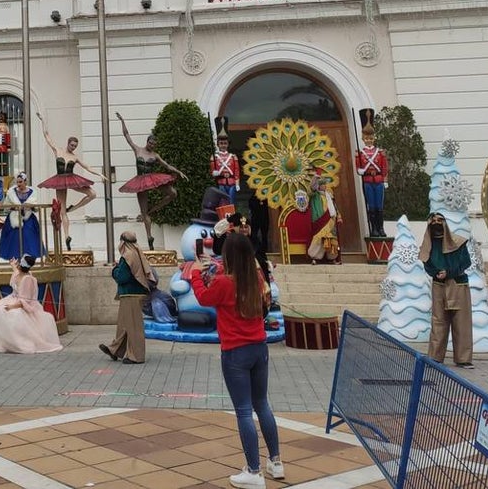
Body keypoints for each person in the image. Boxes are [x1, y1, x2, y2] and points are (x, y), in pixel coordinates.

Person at [184, 233, 283, 488]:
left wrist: (195, 273)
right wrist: (212, 268)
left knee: (243, 411)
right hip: (259, 347)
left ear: (228, 256)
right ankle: (276, 461)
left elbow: (203, 297)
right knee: (262, 404)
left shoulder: (225, 283)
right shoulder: (256, 278)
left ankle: (253, 471)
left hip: (235, 351)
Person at [115, 112, 188, 250]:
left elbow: (167, 165)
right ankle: (149, 237)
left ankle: (154, 209)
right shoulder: (138, 150)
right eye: (150, 142)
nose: (151, 145)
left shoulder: (155, 155)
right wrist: (122, 121)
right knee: (144, 213)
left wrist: (179, 172)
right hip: (140, 181)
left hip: (152, 179)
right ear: (147, 142)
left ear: (155, 145)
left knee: (173, 193)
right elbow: (127, 136)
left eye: (154, 144)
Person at [35, 112, 107, 251]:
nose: (73, 147)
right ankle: (67, 237)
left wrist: (99, 174)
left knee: (92, 194)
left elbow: (87, 167)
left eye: (75, 146)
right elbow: (47, 136)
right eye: (72, 145)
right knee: (63, 211)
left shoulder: (75, 157)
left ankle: (74, 208)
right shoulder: (58, 151)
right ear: (68, 143)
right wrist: (43, 120)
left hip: (72, 179)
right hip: (60, 181)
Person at [0, 254, 62, 354]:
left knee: (14, 315)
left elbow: (25, 300)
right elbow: (16, 272)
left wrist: (12, 306)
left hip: (22, 304)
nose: (18, 265)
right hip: (12, 298)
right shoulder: (19, 273)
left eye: (19, 264)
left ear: (21, 266)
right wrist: (12, 264)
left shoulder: (28, 279)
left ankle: (14, 342)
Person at [420, 212, 474, 369]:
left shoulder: (458, 242)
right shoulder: (429, 245)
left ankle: (463, 359)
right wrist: (436, 272)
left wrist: (449, 272)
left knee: (461, 322)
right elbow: (427, 263)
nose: (436, 223)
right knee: (438, 321)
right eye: (433, 221)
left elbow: (466, 262)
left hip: (458, 285)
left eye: (439, 220)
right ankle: (435, 357)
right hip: (439, 286)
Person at [99, 231, 154, 364]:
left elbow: (122, 277)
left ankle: (136, 356)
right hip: (132, 294)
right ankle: (115, 350)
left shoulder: (127, 256)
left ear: (123, 242)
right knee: (124, 325)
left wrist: (114, 270)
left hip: (131, 294)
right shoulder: (136, 252)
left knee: (133, 327)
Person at [355, 109, 389, 238]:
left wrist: (385, 180)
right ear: (363, 138)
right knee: (371, 206)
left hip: (378, 180)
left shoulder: (379, 152)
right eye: (366, 138)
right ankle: (374, 228)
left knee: (379, 206)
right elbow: (358, 166)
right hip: (368, 181)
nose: (369, 140)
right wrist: (359, 170)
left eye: (371, 138)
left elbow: (384, 166)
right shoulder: (360, 153)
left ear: (374, 138)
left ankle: (381, 228)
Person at [0, 172, 42, 261]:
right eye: (17, 182)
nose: (18, 184)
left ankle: (28, 258)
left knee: (28, 235)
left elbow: (36, 206)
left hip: (28, 218)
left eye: (20, 182)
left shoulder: (32, 192)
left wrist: (30, 206)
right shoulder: (11, 192)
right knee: (15, 238)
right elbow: (6, 206)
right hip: (14, 217)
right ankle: (16, 258)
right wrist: (14, 207)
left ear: (25, 182)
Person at [307, 168, 342, 263]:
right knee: (319, 238)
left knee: (331, 239)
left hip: (330, 220)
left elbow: (334, 206)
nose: (324, 186)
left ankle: (332, 257)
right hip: (320, 220)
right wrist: (315, 177)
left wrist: (338, 216)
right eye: (322, 185)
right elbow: (312, 188)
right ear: (318, 186)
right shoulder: (315, 195)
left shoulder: (329, 195)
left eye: (325, 185)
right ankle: (315, 257)